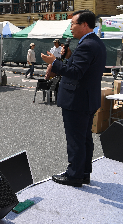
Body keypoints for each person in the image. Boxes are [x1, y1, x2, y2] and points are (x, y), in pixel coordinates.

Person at [41, 10, 106, 187]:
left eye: (73, 24)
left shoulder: (86, 45)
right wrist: (68, 57)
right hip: (88, 98)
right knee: (84, 138)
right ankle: (83, 172)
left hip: (77, 100)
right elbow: (82, 68)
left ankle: (74, 175)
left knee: (76, 139)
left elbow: (76, 73)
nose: (71, 28)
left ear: (84, 25)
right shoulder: (96, 43)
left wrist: (54, 62)